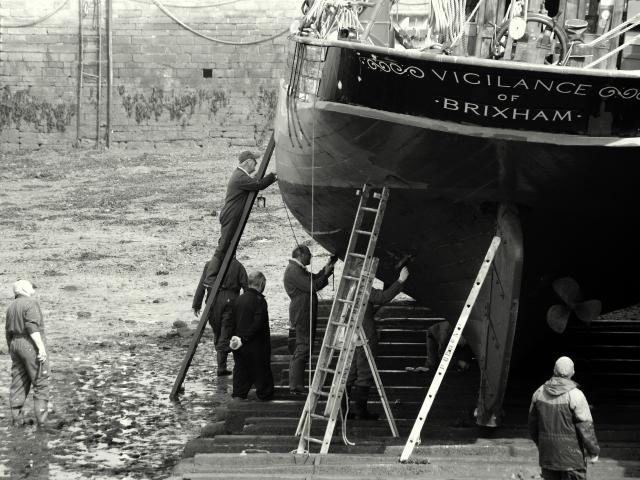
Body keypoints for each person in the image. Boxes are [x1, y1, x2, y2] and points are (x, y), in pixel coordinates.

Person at [203, 151, 278, 287]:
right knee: (223, 246)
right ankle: (210, 278)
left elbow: (254, 182)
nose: (256, 165)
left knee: (226, 245)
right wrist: (273, 176)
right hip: (231, 215)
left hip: (231, 215)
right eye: (254, 162)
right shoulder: (239, 177)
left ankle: (219, 274)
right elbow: (258, 185)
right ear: (248, 162)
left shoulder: (240, 175)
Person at [345, 266, 410, 420]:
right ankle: (361, 412)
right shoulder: (362, 287)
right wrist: (401, 280)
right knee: (365, 372)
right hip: (365, 333)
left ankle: (343, 410)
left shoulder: (349, 285)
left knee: (350, 371)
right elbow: (382, 297)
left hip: (350, 333)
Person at [528, 356, 600, 480]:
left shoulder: (539, 393)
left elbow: (532, 426)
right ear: (572, 373)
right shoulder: (576, 395)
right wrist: (593, 451)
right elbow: (586, 428)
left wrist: (543, 445)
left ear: (554, 371)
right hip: (573, 460)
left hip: (548, 457)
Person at [284, 245, 335, 394]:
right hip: (302, 313)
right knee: (303, 346)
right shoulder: (294, 270)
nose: (311, 257)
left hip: (304, 311)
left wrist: (328, 266)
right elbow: (313, 286)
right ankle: (295, 385)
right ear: (301, 255)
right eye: (309, 254)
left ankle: (297, 384)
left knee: (305, 346)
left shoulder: (297, 269)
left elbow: (314, 278)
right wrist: (325, 274)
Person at [5, 280, 50, 428]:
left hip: (15, 344)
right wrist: (41, 348)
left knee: (18, 381)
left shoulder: (11, 306)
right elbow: (31, 326)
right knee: (40, 381)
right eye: (31, 286)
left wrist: (12, 349)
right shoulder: (31, 303)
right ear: (24, 288)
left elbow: (7, 331)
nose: (33, 288)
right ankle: (42, 423)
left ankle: (17, 420)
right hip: (29, 343)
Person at [193, 257, 248, 376]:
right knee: (226, 331)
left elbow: (202, 285)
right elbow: (246, 287)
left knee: (218, 332)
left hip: (212, 302)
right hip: (231, 300)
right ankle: (222, 366)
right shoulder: (238, 266)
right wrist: (246, 305)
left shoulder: (210, 264)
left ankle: (222, 365)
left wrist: (197, 304)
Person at [228, 271, 274, 401]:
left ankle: (238, 397)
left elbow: (230, 322)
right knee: (262, 373)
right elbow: (258, 323)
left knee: (240, 372)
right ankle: (265, 399)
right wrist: (245, 338)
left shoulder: (238, 300)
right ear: (261, 283)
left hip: (238, 344)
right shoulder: (260, 301)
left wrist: (233, 338)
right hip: (256, 345)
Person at [405, 320, 472, 373]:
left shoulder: (468, 335)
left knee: (461, 353)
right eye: (464, 341)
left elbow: (467, 350)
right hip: (433, 334)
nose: (464, 344)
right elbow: (442, 354)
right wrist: (458, 362)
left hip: (449, 332)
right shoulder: (446, 336)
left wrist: (465, 363)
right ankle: (421, 368)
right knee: (432, 363)